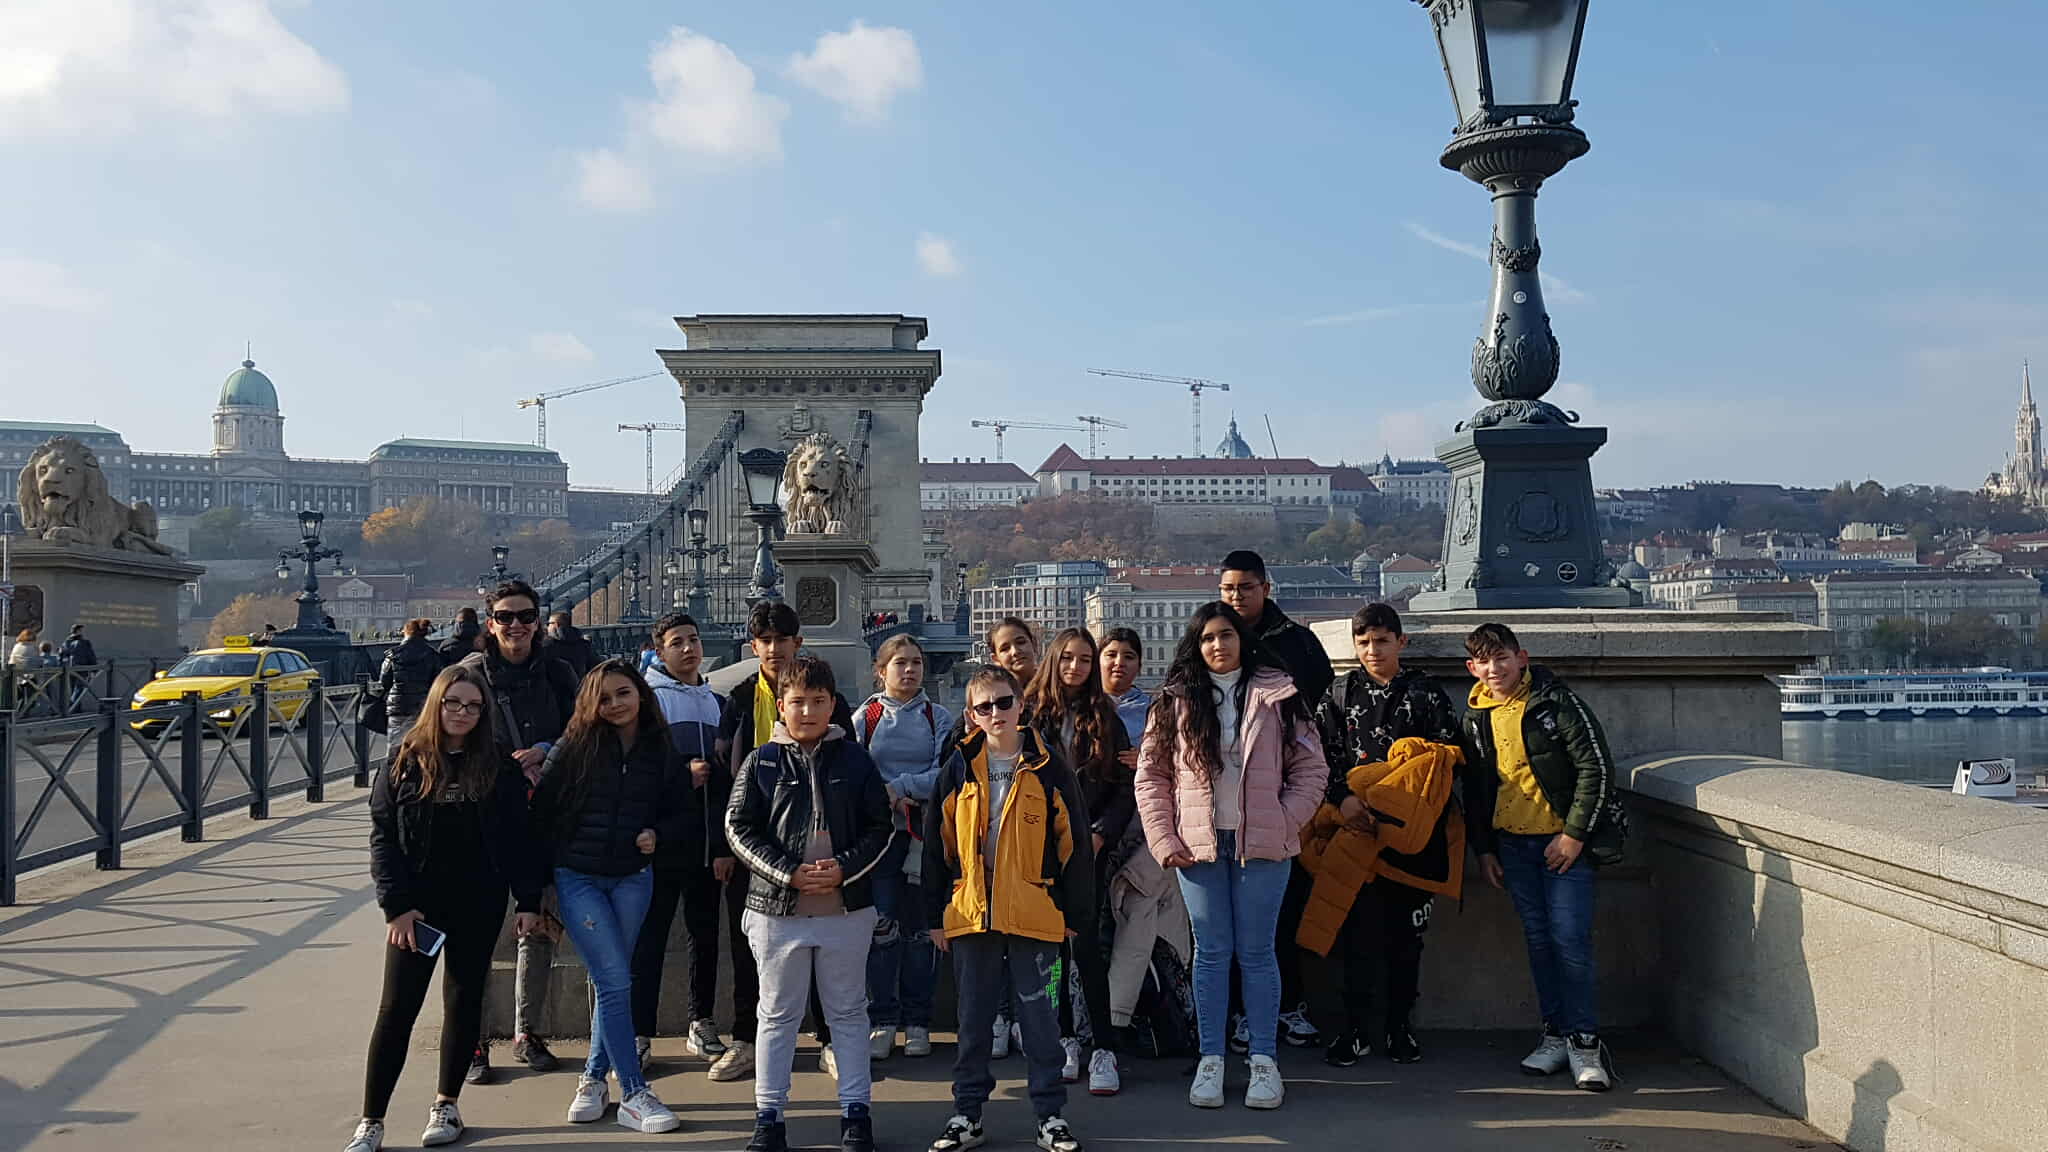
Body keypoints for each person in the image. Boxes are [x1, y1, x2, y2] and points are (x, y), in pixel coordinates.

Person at [1134, 602, 1327, 1111]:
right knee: (1212, 953)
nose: (1217, 645)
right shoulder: (1174, 700)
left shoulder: (1280, 693)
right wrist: (1164, 838)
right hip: (1198, 844)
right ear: (1195, 646)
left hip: (1262, 840)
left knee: (1258, 952)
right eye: (1207, 638)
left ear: (1242, 639)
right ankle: (1212, 1059)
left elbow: (1311, 768)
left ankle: (1263, 1059)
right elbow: (1151, 776)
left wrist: (1284, 820)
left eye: (1226, 635)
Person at [347, 664, 544, 1152]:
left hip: (479, 901)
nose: (462, 713)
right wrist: (396, 907)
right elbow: (383, 839)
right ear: (437, 704)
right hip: (418, 909)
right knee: (397, 1009)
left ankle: (446, 1104)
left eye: (473, 706)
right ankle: (372, 1120)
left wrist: (528, 900)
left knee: (463, 1001)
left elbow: (520, 838)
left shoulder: (497, 765)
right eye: (453, 703)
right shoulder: (403, 762)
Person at [726, 653, 894, 1152]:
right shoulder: (762, 761)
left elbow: (880, 827)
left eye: (818, 701)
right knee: (777, 1015)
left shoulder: (856, 761)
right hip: (777, 911)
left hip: (846, 908)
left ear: (832, 705)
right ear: (781, 705)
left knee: (849, 1014)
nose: (807, 711)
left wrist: (844, 868)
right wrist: (787, 873)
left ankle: (856, 1115)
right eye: (797, 702)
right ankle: (769, 1118)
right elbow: (737, 828)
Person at [922, 667, 1092, 1152]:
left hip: (1036, 912)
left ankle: (1050, 1117)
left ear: (1021, 705)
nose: (995, 713)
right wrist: (935, 917)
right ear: (971, 715)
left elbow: (1075, 845)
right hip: (972, 912)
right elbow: (938, 844)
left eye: (1003, 702)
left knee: (1041, 1021)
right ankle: (966, 1115)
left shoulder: (1050, 766)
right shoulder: (958, 766)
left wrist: (1075, 915)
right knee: (973, 1022)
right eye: (984, 706)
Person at [1460, 622, 1622, 1092]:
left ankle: (1585, 1043)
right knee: (1539, 941)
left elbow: (1595, 768)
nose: (1495, 668)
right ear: (1472, 668)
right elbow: (1476, 790)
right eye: (1485, 661)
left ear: (1522, 658)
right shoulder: (1475, 718)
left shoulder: (1556, 703)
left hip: (1563, 844)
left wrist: (1574, 836)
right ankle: (1554, 1035)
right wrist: (1483, 849)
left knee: (1570, 940)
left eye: (1502, 657)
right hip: (1512, 844)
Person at [528, 658, 685, 1134]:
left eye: (623, 693)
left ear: (641, 694)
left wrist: (658, 835)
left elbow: (682, 809)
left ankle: (593, 1079)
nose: (615, 704)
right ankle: (634, 1093)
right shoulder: (573, 746)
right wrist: (535, 892)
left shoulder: (660, 747)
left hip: (633, 877)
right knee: (615, 980)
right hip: (580, 878)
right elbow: (541, 815)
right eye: (604, 698)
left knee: (611, 980)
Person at [1304, 603, 1463, 1067]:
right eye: (1364, 642)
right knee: (1355, 935)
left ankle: (1399, 1027)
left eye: (1381, 641)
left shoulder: (1425, 693)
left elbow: (1446, 758)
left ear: (1400, 642)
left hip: (1411, 835)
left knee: (1406, 939)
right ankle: (1354, 1028)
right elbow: (1320, 757)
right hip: (1355, 829)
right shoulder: (1338, 693)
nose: (1372, 650)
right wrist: (1342, 799)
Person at [713, 600, 855, 1082]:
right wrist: (723, 848)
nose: (774, 649)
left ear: (799, 643)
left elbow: (850, 772)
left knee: (825, 949)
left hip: (820, 848)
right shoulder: (737, 700)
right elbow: (724, 779)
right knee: (746, 948)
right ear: (753, 647)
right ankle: (747, 1039)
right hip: (756, 848)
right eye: (766, 641)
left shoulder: (832, 700)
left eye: (783, 640)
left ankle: (830, 1040)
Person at [457, 581, 581, 1082]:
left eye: (526, 616)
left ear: (538, 621)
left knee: (539, 927)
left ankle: (527, 1034)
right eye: (505, 617)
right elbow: (448, 737)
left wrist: (546, 751)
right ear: (490, 623)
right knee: (476, 936)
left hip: (544, 815)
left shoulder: (559, 672)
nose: (516, 626)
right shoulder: (467, 675)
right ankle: (472, 1040)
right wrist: (505, 764)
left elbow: (581, 729)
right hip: (484, 818)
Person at [1216, 549, 1332, 1051]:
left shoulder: (1298, 644)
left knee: (1285, 912)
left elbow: (1317, 722)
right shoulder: (1211, 638)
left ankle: (1288, 1006)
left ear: (1265, 588)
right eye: (1228, 589)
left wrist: (1298, 806)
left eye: (1245, 588)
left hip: (1282, 796)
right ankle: (1239, 1014)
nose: (1236, 597)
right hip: (1225, 801)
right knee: (1228, 923)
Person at [1025, 628, 1132, 1095]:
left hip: (1089, 849)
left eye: (1085, 659)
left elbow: (1124, 786)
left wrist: (1101, 833)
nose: (1075, 667)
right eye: (1067, 657)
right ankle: (1065, 1036)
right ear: (1054, 660)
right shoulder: (1028, 714)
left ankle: (1103, 1046)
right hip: (1039, 849)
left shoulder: (1105, 716)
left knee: (1087, 949)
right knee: (1052, 953)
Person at [636, 611, 735, 1069]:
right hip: (659, 842)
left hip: (706, 841)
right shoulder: (647, 701)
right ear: (660, 651)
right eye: (677, 642)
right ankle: (639, 1031)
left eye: (693, 639)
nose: (689, 648)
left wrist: (722, 846)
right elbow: (634, 768)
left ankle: (701, 1021)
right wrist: (680, 774)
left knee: (704, 936)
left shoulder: (718, 702)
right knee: (650, 939)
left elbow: (727, 780)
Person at [943, 615, 1040, 1059]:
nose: (996, 713)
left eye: (1022, 642)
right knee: (987, 955)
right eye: (1005, 646)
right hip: (979, 874)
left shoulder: (1045, 730)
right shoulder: (964, 743)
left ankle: (1034, 1024)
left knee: (1034, 961)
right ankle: (1000, 1018)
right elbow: (945, 814)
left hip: (1031, 871)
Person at [852, 635, 951, 1062]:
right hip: (880, 840)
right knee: (882, 930)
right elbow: (855, 771)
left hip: (923, 839)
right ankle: (882, 1019)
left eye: (916, 663)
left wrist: (903, 786)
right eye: (900, 663)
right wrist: (885, 797)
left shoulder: (938, 717)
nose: (909, 670)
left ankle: (918, 1021)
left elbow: (945, 772)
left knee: (921, 932)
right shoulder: (866, 716)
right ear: (881, 670)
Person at [377, 620, 444, 760]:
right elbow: (438, 683)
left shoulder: (392, 655)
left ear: (406, 633)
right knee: (423, 748)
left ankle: (394, 771)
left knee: (394, 748)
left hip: (398, 706)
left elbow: (384, 681)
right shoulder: (432, 655)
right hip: (423, 706)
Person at [547, 612, 598, 679]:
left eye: (548, 624)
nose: (547, 627)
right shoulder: (584, 645)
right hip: (582, 684)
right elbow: (595, 667)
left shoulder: (547, 646)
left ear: (556, 624)